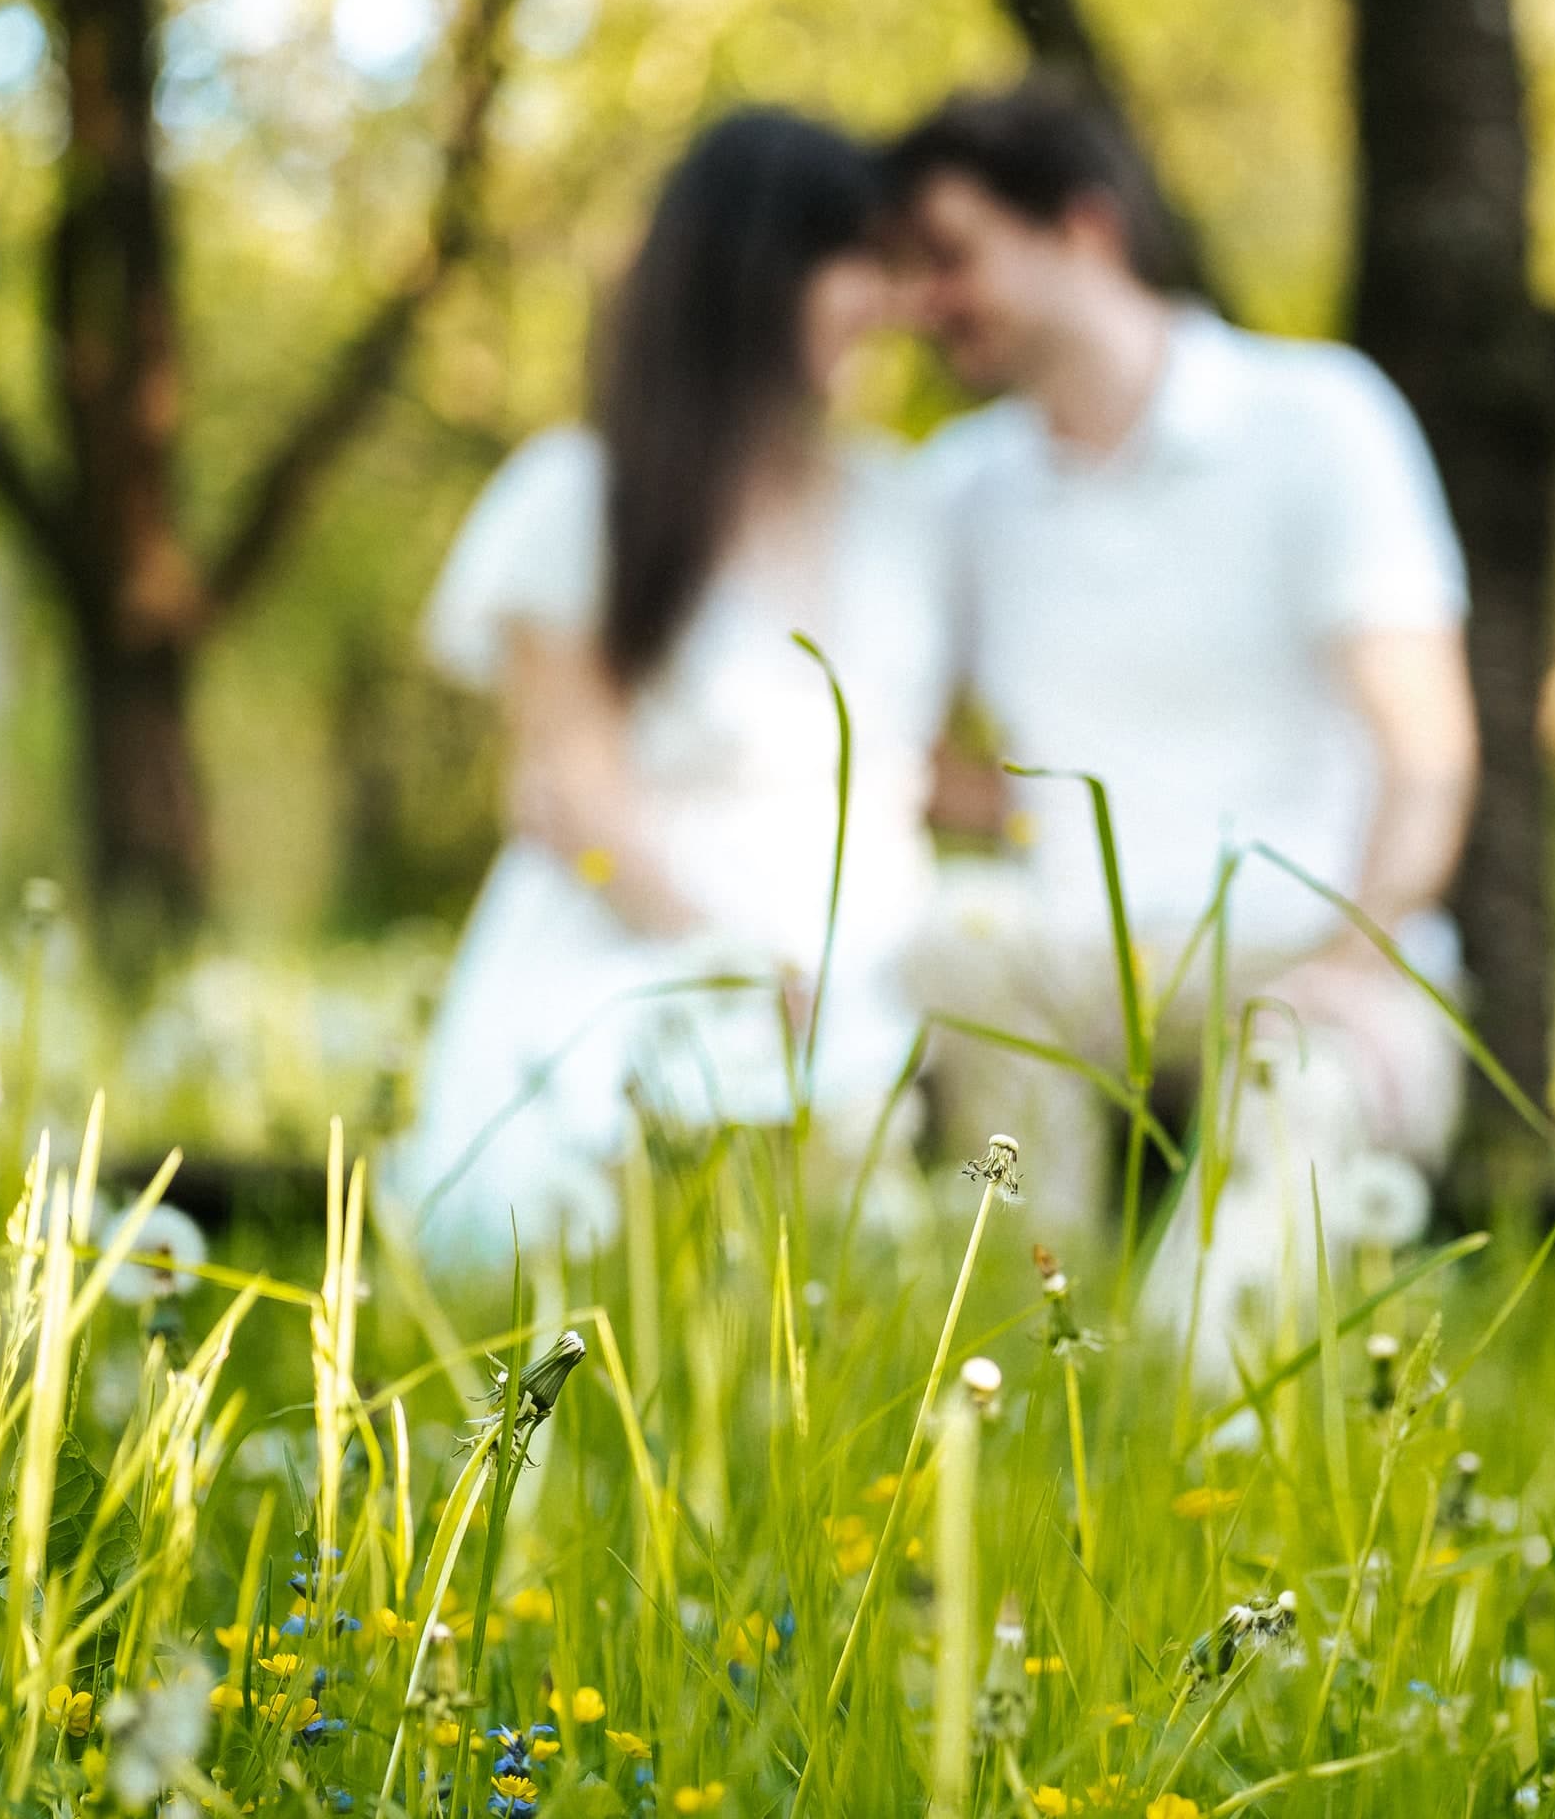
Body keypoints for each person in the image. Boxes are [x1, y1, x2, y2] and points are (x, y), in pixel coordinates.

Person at [884, 82, 1477, 1372]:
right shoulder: (960, 488)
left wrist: (1355, 956)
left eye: (951, 255)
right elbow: (888, 758)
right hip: (1075, 949)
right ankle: (1024, 1385)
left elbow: (1427, 754)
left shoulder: (1317, 417)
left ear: (1082, 233)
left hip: (1312, 942)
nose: (926, 302)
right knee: (950, 955)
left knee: (1232, 1276)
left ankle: (1192, 1419)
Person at [389, 109, 959, 1269]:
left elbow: (931, 766)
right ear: (757, 270)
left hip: (879, 977)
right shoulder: (579, 497)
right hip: (641, 948)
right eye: (856, 261)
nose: (890, 301)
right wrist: (742, 972)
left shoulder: (904, 503)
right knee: (627, 1247)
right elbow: (569, 795)